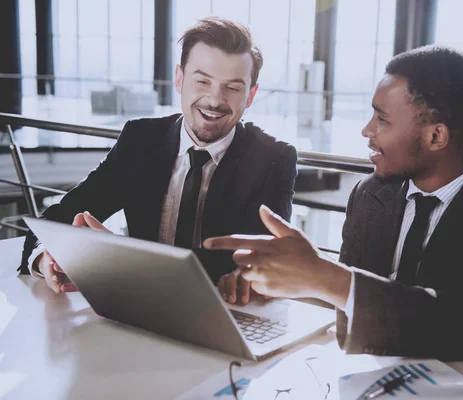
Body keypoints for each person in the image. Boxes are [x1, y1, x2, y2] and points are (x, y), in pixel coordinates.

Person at [204, 46, 463, 361]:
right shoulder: (371, 195)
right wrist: (285, 280)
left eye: (382, 119)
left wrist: (323, 275)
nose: (366, 130)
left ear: (436, 135)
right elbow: (352, 301)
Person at [20, 17, 298, 298]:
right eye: (202, 81)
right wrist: (46, 258)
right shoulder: (140, 140)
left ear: (250, 96)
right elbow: (60, 218)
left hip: (221, 310)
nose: (214, 99)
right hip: (140, 306)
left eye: (233, 88)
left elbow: (259, 259)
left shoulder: (273, 159)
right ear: (179, 79)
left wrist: (122, 259)